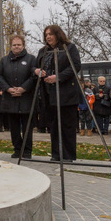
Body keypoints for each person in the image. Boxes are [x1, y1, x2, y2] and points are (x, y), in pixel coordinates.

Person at [35, 25, 82, 162]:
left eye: (51, 34)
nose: (48, 37)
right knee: (54, 125)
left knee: (67, 125)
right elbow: (36, 66)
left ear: (58, 34)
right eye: (46, 35)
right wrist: (37, 71)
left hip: (66, 92)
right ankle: (56, 154)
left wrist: (58, 77)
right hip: (49, 93)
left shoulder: (69, 48)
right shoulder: (43, 51)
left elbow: (75, 66)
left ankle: (68, 155)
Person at [0, 34, 37, 159]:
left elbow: (34, 76)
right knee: (13, 127)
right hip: (10, 98)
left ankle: (27, 151)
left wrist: (23, 88)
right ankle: (17, 149)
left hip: (26, 98)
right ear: (11, 46)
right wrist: (8, 89)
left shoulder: (31, 59)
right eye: (14, 45)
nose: (16, 47)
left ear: (23, 45)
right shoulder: (4, 60)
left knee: (27, 127)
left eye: (19, 45)